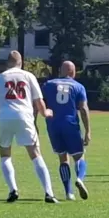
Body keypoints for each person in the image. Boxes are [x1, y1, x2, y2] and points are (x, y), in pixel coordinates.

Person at [0, 51, 58, 203]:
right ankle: (49, 193)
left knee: (5, 154)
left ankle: (13, 189)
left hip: (4, 117)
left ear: (8, 62)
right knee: (35, 154)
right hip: (24, 117)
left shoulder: (0, 78)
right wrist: (45, 112)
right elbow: (39, 101)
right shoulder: (28, 76)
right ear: (21, 62)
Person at [41, 61, 90, 201]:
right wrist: (88, 131)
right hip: (70, 122)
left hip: (53, 124)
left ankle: (69, 193)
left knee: (63, 158)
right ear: (73, 72)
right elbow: (83, 109)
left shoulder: (48, 85)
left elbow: (39, 103)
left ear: (60, 71)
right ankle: (80, 179)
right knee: (79, 156)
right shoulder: (78, 86)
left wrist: (34, 121)